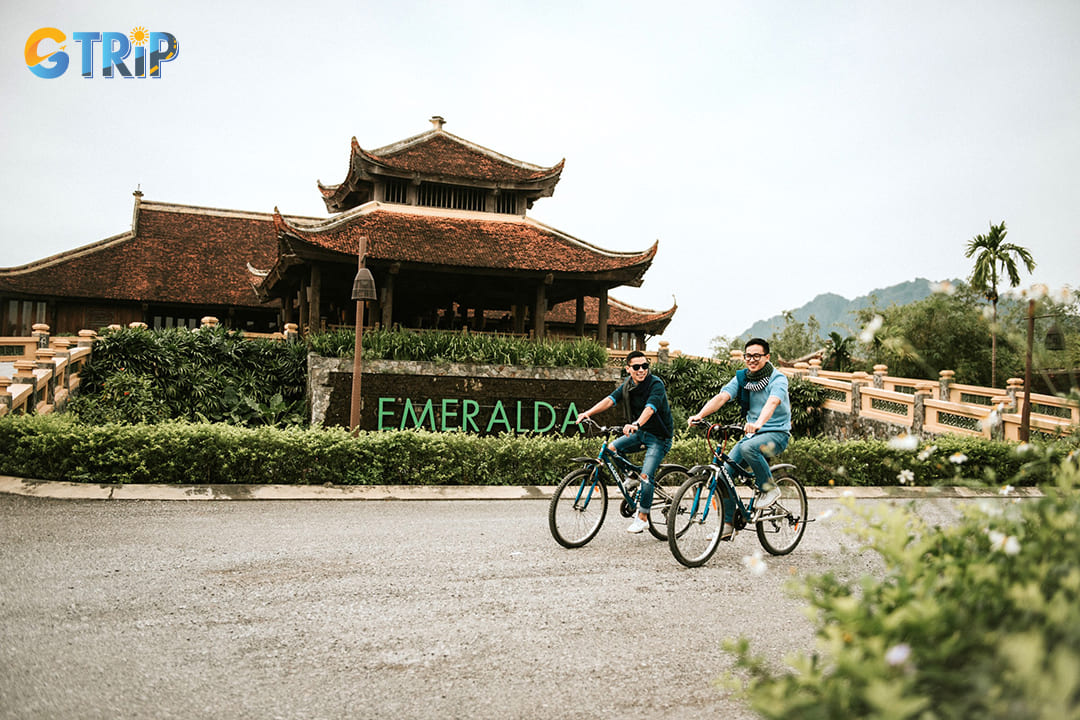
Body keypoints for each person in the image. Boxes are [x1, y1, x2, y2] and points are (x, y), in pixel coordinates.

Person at [687, 338, 791, 540]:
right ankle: (728, 525)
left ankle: (769, 489)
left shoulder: (778, 379)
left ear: (767, 357)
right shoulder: (743, 378)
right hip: (753, 435)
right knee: (724, 474)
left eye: (757, 356)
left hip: (777, 433)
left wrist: (759, 422)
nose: (752, 360)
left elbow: (772, 402)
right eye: (748, 356)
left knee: (748, 448)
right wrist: (700, 415)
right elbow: (722, 397)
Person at [576, 350, 674, 534]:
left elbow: (650, 408)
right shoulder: (627, 386)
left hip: (659, 438)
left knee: (646, 477)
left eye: (645, 366)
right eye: (636, 367)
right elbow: (610, 400)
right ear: (628, 369)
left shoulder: (656, 384)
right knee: (612, 449)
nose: (641, 370)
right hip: (641, 432)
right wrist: (588, 413)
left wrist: (636, 423)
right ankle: (630, 476)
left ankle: (643, 517)